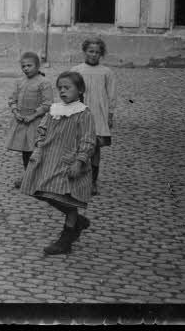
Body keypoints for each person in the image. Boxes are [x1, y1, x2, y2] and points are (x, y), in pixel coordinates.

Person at [20, 71, 96, 255]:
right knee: (40, 191)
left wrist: (79, 161)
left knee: (65, 197)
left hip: (68, 162)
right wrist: (38, 147)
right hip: (48, 159)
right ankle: (77, 221)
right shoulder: (54, 109)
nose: (62, 91)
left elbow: (88, 140)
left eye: (67, 87)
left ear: (80, 90)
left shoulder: (83, 113)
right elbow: (42, 129)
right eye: (60, 87)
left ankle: (66, 238)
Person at [70, 38, 116, 197]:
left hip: (98, 115)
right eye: (91, 51)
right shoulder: (76, 70)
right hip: (80, 114)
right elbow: (70, 92)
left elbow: (111, 95)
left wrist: (110, 115)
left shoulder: (106, 72)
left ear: (101, 54)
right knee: (79, 146)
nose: (94, 55)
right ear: (85, 51)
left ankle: (93, 182)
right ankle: (77, 178)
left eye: (97, 52)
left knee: (95, 149)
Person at [7, 51, 55, 188]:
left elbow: (48, 103)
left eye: (29, 65)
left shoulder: (44, 82)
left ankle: (38, 178)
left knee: (36, 150)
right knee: (25, 151)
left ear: (38, 66)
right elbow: (12, 99)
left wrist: (33, 116)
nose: (26, 68)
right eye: (23, 66)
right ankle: (28, 176)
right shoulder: (19, 82)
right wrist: (16, 112)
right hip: (22, 121)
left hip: (36, 122)